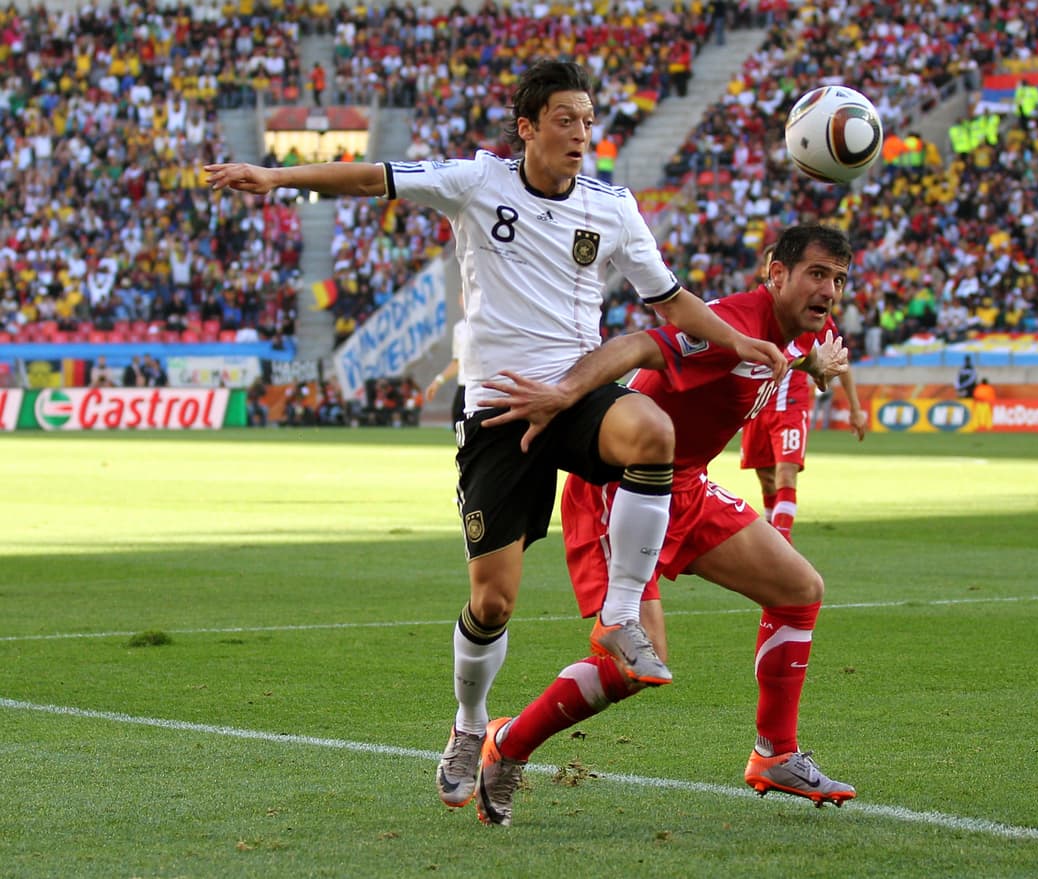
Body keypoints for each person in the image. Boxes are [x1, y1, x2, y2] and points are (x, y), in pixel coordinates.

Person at [205, 59, 786, 810]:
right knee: (495, 602)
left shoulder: (612, 207)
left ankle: (620, 617)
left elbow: (671, 303)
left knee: (652, 429)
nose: (580, 134)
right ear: (528, 127)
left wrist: (738, 342)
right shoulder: (476, 183)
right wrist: (275, 178)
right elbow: (372, 176)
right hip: (497, 411)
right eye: (565, 120)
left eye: (586, 120)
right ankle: (468, 723)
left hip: (574, 395)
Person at [467, 223, 857, 826]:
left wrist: (815, 368)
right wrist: (564, 393)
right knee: (631, 668)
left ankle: (775, 754)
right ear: (775, 275)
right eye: (816, 274)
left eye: (838, 278)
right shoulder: (732, 323)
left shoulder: (810, 327)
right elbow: (638, 346)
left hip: (688, 486)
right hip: (619, 486)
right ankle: (506, 743)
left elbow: (796, 355)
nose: (829, 289)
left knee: (800, 591)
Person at [740, 245, 867, 542]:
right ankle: (775, 539)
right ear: (768, 272)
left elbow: (840, 359)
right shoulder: (752, 310)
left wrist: (855, 407)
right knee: (767, 479)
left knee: (786, 474)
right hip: (758, 405)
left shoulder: (812, 314)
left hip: (791, 402)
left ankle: (781, 544)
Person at [426, 293, 467, 425]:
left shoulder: (488, 325)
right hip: (464, 386)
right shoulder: (459, 328)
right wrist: (437, 381)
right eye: (463, 297)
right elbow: (457, 362)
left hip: (482, 388)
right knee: (459, 426)